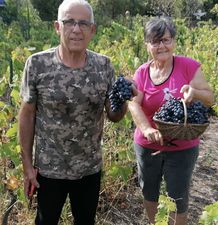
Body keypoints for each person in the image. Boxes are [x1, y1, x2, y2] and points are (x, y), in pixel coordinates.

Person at [18, 0, 136, 224]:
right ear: (57, 27)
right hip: (49, 170)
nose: (76, 29)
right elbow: (27, 114)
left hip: (88, 168)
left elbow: (114, 115)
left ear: (92, 30)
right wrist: (27, 166)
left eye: (83, 24)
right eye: (69, 22)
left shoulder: (103, 66)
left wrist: (123, 97)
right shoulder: (37, 64)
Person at [128, 16, 214, 225]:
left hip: (182, 147)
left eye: (166, 40)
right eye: (155, 41)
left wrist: (194, 92)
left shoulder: (188, 66)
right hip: (148, 144)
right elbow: (133, 103)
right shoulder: (142, 72)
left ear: (174, 41)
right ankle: (154, 223)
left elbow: (210, 98)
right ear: (147, 45)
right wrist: (146, 128)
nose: (161, 46)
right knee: (149, 192)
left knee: (178, 196)